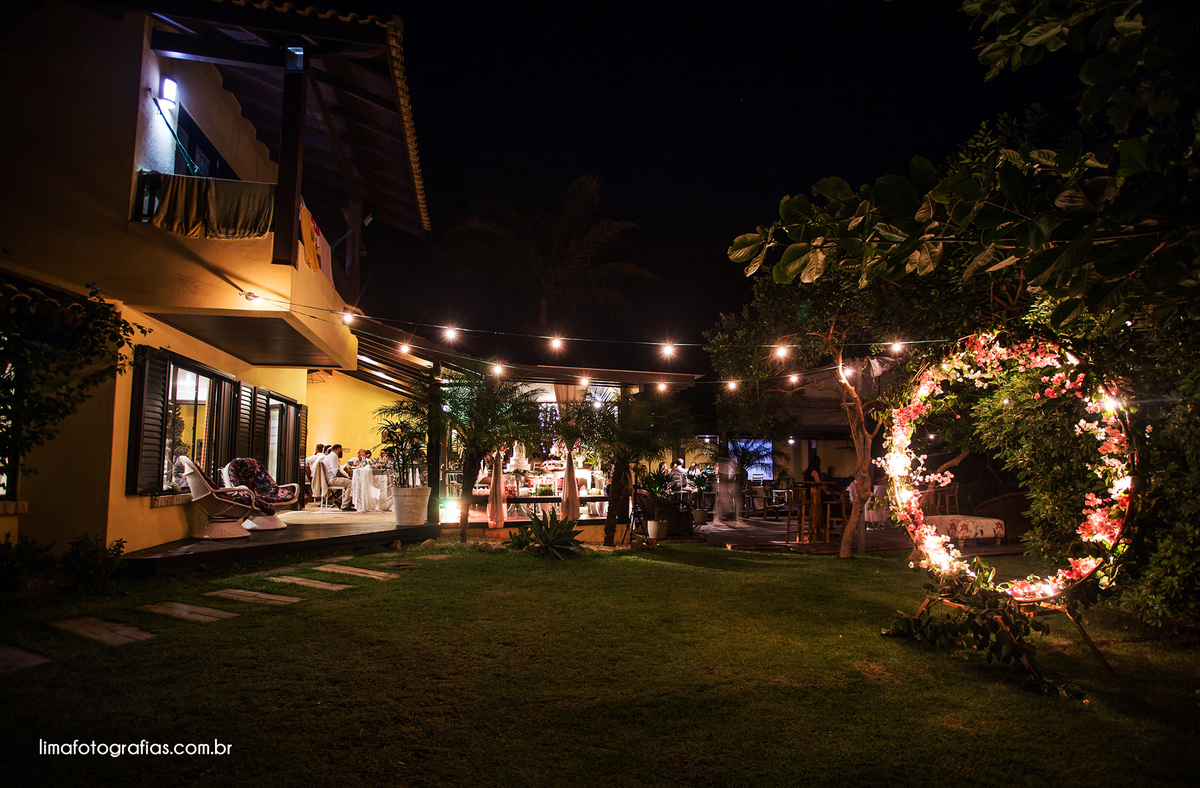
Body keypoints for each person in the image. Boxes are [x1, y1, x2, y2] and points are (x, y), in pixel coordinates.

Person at [321, 444, 353, 510]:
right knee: (351, 483)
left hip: (329, 479)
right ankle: (345, 505)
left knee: (349, 482)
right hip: (332, 480)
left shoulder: (330, 456)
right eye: (341, 450)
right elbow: (336, 472)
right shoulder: (333, 456)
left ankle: (340, 500)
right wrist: (346, 478)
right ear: (339, 450)